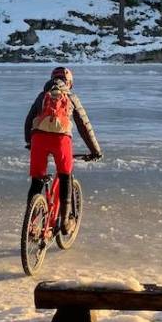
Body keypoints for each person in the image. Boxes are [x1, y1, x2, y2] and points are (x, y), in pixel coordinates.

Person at [24, 66, 101, 234]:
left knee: (37, 181)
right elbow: (84, 126)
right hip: (61, 140)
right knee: (65, 176)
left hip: (38, 139)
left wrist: (30, 142)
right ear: (70, 83)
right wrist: (95, 150)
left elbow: (29, 120)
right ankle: (65, 223)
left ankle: (31, 226)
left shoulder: (42, 96)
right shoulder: (71, 97)